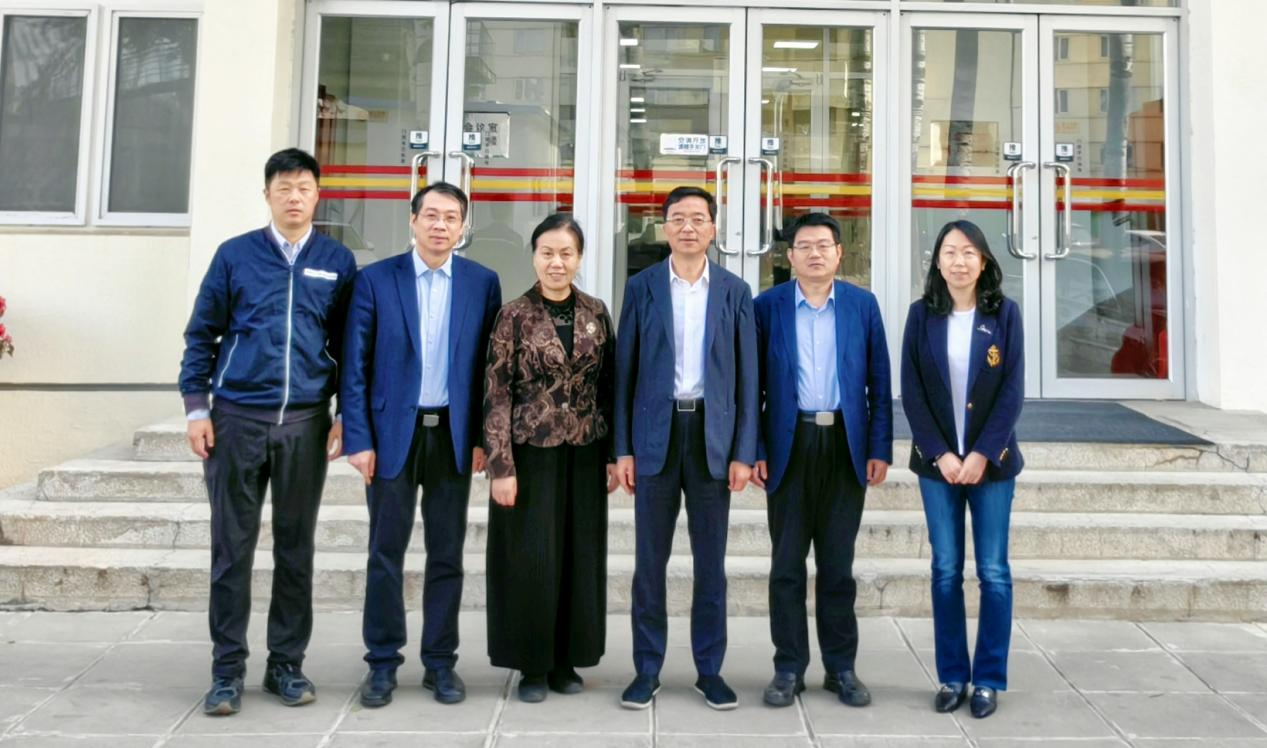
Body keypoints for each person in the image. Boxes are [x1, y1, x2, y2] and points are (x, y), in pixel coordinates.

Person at [179, 147, 356, 716]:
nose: (294, 197)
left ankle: (286, 665)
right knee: (231, 549)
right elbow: (201, 334)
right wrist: (196, 408)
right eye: (284, 188)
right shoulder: (235, 256)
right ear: (268, 195)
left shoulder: (337, 260)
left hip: (305, 421)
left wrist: (347, 414)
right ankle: (226, 671)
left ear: (318, 195)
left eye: (304, 188)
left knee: (295, 549)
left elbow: (350, 346)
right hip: (237, 420)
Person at [341, 182, 502, 708]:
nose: (440, 225)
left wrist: (482, 439)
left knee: (447, 554)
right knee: (385, 552)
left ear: (463, 227)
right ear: (412, 221)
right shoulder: (375, 280)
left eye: (451, 217)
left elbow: (489, 370)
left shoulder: (482, 283)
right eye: (430, 215)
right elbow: (355, 365)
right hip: (392, 435)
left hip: (452, 436)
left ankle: (440, 662)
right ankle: (382, 663)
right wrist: (359, 438)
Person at [613, 186, 758, 711]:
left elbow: (748, 378)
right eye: (678, 218)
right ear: (665, 227)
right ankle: (646, 669)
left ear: (714, 228)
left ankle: (709, 670)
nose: (688, 227)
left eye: (698, 218)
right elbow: (624, 372)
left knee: (710, 564)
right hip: (655, 435)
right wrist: (622, 449)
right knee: (649, 563)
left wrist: (744, 451)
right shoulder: (642, 287)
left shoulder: (735, 291)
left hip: (712, 439)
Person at [752, 212, 893, 709]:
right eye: (804, 246)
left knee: (837, 566)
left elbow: (879, 383)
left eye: (823, 245)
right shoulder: (767, 307)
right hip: (788, 445)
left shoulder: (862, 305)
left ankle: (841, 668)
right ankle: (788, 667)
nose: (814, 253)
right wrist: (757, 450)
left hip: (844, 446)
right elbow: (752, 387)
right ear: (789, 256)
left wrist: (879, 448)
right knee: (786, 565)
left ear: (839, 253)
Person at [483, 214, 619, 703]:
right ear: (535, 256)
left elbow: (609, 387)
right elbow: (496, 392)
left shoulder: (596, 312)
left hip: (585, 452)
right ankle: (533, 665)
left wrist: (613, 455)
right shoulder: (513, 315)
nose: (556, 262)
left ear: (579, 258)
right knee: (531, 558)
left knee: (578, 558)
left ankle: (567, 660)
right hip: (529, 453)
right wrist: (500, 466)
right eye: (547, 252)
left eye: (566, 253)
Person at [900, 219, 1024, 720]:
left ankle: (988, 679)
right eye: (950, 251)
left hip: (991, 466)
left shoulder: (1004, 314)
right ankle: (952, 675)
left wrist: (981, 454)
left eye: (969, 252)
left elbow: (1012, 390)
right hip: (938, 468)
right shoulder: (921, 315)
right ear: (937, 261)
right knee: (946, 569)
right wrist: (941, 454)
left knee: (993, 572)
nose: (959, 261)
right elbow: (911, 391)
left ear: (984, 261)